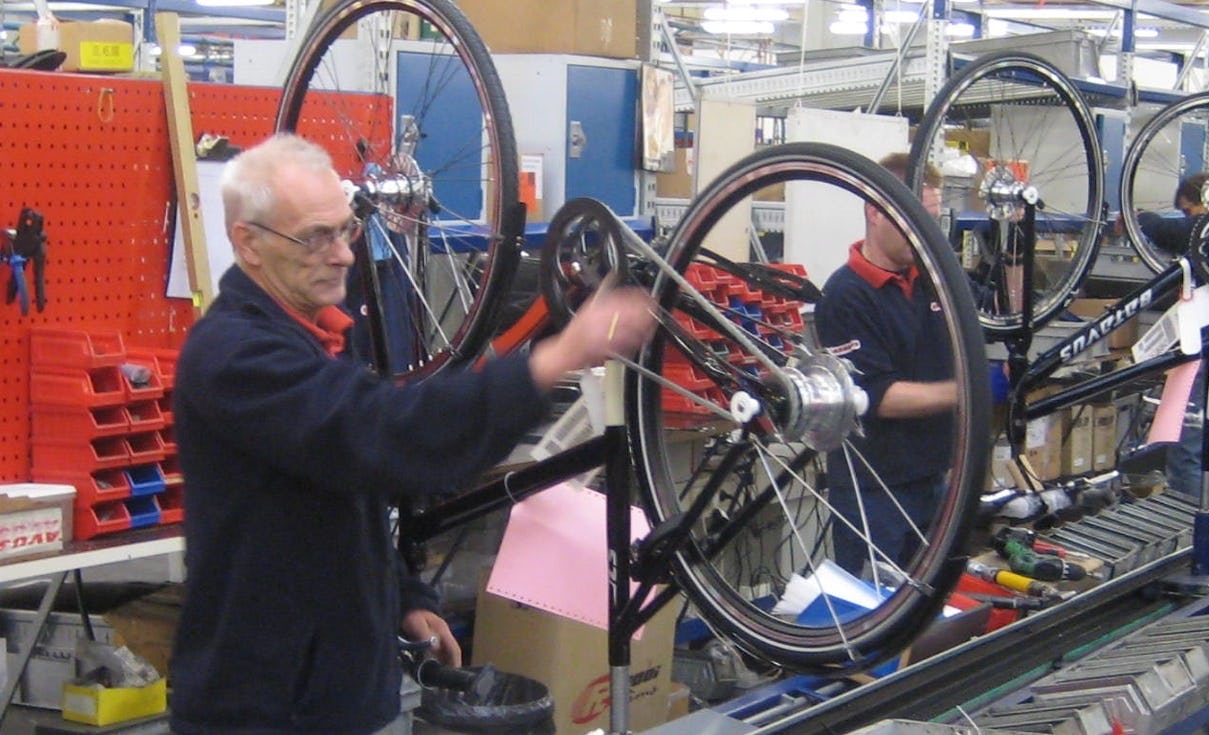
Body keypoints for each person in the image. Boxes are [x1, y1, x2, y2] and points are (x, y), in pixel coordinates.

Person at [169, 133, 656, 735]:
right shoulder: (233, 358)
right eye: (316, 237)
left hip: (338, 694)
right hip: (264, 709)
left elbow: (346, 493)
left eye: (345, 229)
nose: (345, 256)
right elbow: (387, 437)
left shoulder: (320, 331)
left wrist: (403, 598)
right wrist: (555, 358)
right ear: (249, 244)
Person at [814, 152, 957, 575]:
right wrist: (969, 390)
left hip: (935, 479)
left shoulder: (936, 278)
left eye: (932, 218)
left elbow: (996, 314)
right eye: (915, 218)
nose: (925, 232)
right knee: (873, 614)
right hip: (874, 491)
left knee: (929, 612)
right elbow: (879, 397)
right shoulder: (845, 295)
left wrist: (1013, 240)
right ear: (875, 211)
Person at [1123, 172, 1209, 497]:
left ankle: (1188, 525)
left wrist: (1141, 219)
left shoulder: (1201, 229)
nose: (1190, 219)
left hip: (1199, 340)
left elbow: (1172, 231)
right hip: (1198, 335)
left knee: (1187, 436)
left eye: (1189, 210)